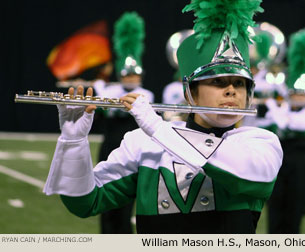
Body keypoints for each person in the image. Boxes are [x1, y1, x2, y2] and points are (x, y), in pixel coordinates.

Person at [43, 0, 282, 233]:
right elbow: (86, 202)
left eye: (240, 84)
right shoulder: (142, 144)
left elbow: (246, 175)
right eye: (218, 82)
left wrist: (157, 127)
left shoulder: (260, 142)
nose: (231, 90)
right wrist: (74, 142)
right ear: (190, 93)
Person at [93, 12, 154, 233]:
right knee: (104, 195)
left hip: (134, 152)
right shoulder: (110, 91)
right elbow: (102, 115)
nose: (131, 79)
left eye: (134, 76)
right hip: (110, 147)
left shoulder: (146, 93)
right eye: (127, 75)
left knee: (126, 202)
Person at [266, 30, 305, 233]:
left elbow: (288, 124)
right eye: (294, 93)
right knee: (276, 203)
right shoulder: (283, 108)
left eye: (301, 94)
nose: (297, 97)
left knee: (295, 204)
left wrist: (274, 106)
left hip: (300, 161)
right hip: (280, 160)